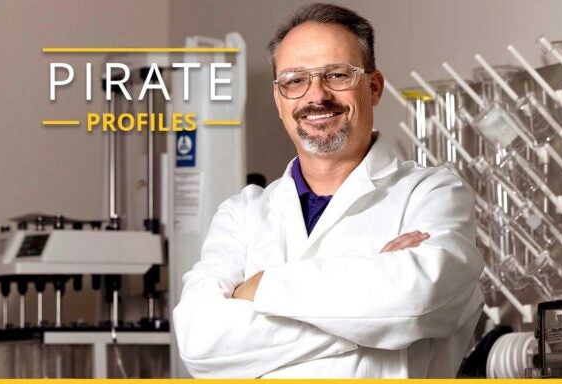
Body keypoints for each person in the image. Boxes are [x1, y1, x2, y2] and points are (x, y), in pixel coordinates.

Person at [173, 3, 484, 378]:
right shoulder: (242, 213)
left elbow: (419, 299)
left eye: (336, 75)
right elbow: (199, 341)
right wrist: (374, 325)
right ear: (279, 100)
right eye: (294, 80)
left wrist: (262, 287)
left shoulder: (432, 193)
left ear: (373, 88)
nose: (316, 96)